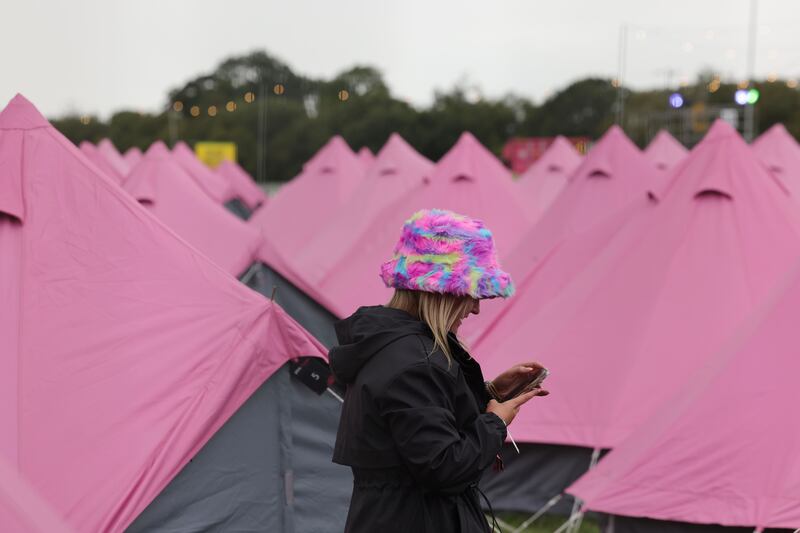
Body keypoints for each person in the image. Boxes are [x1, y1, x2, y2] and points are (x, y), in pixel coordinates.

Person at [330, 209, 549, 532]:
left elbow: (421, 430)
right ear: (443, 292)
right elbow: (443, 467)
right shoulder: (414, 364)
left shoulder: (392, 349)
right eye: (472, 295)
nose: (475, 308)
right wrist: (495, 422)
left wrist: (489, 394)